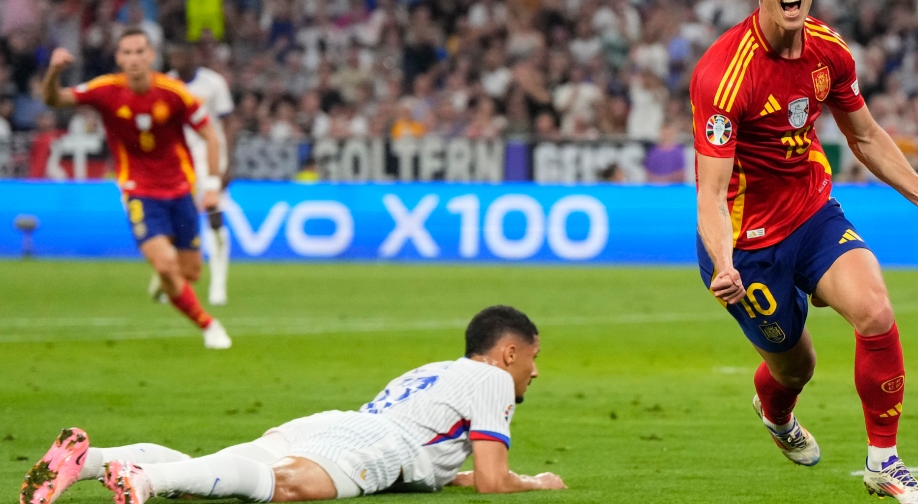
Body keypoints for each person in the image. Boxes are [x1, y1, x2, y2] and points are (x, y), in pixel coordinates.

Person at [691, 0, 918, 503]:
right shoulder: (723, 75)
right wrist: (723, 263)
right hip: (747, 246)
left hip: (813, 211)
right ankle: (775, 412)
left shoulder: (830, 50)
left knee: (874, 309)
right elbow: (712, 191)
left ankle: (884, 464)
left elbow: (864, 136)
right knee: (796, 368)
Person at [20, 306, 566, 504]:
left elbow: (446, 468)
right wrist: (536, 482)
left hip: (338, 425)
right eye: (532, 358)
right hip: (375, 444)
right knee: (284, 488)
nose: (535, 372)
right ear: (509, 351)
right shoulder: (490, 379)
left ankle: (88, 461)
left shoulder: (434, 372)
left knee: (213, 471)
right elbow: (494, 482)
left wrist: (466, 477)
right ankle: (139, 483)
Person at [41, 28, 232, 349]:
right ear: (118, 58)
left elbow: (211, 136)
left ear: (150, 56)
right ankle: (209, 325)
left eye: (139, 52)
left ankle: (165, 281)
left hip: (181, 189)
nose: (133, 59)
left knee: (190, 273)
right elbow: (54, 99)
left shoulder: (174, 93)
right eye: (126, 53)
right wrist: (54, 71)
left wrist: (212, 186)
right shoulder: (105, 90)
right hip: (139, 190)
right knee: (167, 265)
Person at [167, 42, 235, 306]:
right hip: (179, 161)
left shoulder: (213, 83)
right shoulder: (166, 84)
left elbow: (228, 123)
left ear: (193, 55)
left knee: (214, 217)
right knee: (179, 222)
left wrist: (226, 163)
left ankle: (218, 283)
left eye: (182, 53)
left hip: (210, 157)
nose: (178, 59)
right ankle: (172, 279)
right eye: (174, 54)